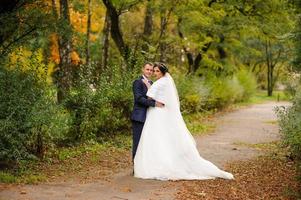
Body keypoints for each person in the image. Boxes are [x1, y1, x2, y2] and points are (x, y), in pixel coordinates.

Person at [134, 62, 234, 180]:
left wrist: (151, 92)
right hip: (159, 112)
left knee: (157, 137)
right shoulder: (164, 82)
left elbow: (149, 96)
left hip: (157, 113)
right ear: (143, 69)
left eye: (156, 71)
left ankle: (156, 163)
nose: (154, 73)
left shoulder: (159, 83)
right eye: (152, 70)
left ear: (162, 73)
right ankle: (157, 161)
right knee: (160, 138)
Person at [131, 62, 164, 162]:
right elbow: (139, 99)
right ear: (143, 69)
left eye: (151, 70)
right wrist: (154, 104)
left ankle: (145, 165)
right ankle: (136, 166)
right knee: (138, 142)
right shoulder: (137, 82)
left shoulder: (153, 84)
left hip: (150, 117)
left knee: (147, 143)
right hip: (139, 117)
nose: (149, 72)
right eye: (147, 69)